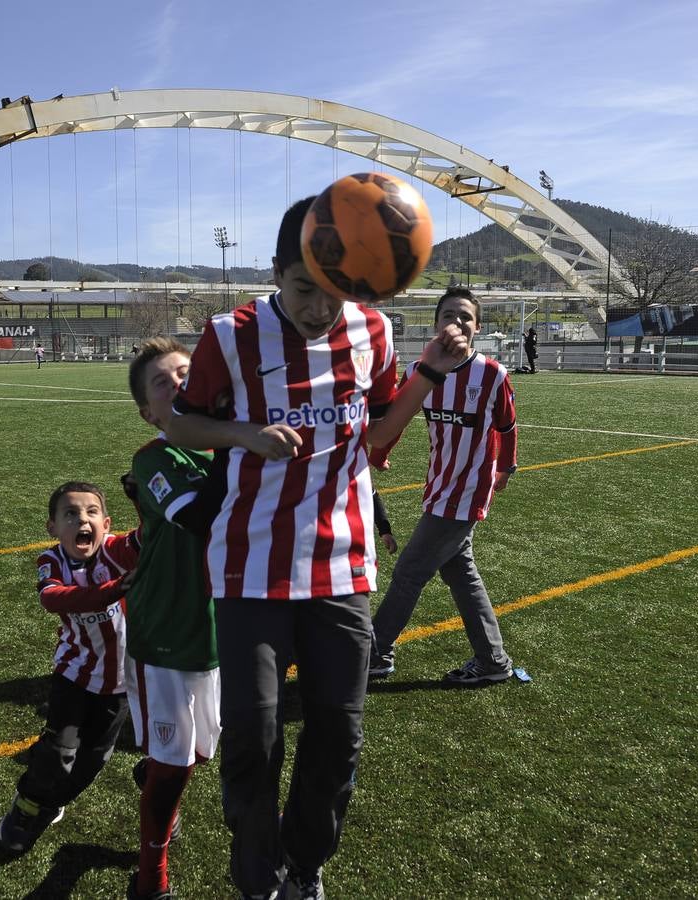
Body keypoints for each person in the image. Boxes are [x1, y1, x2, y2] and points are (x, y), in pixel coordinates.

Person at [165, 196, 471, 899]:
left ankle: (305, 864)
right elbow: (182, 427)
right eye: (306, 289)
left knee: (339, 732)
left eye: (337, 292)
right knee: (255, 734)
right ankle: (256, 872)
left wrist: (427, 371)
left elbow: (377, 433)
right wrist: (242, 435)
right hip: (249, 566)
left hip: (340, 564)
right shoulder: (230, 334)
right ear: (277, 274)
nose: (320, 307)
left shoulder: (373, 330)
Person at [369, 288, 518, 684]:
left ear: (478, 326)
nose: (457, 321)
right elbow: (400, 416)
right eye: (449, 314)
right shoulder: (420, 370)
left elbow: (507, 425)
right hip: (439, 482)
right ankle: (492, 660)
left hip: (467, 488)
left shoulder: (491, 374)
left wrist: (506, 466)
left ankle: (375, 652)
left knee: (409, 572)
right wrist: (380, 452)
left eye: (466, 316)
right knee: (459, 571)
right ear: (436, 324)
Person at [123, 337, 224, 900]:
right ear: (149, 412)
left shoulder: (223, 447)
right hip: (163, 633)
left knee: (201, 752)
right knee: (173, 760)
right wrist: (244, 442)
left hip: (220, 630)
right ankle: (150, 875)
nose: (180, 383)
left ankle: (160, 777)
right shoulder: (155, 458)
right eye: (164, 382)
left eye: (187, 373)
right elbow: (199, 515)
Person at [0, 481, 139, 854]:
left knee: (93, 760)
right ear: (53, 528)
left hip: (121, 682)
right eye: (70, 514)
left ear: (107, 524)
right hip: (74, 673)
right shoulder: (52, 560)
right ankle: (26, 809)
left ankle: (52, 800)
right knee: (59, 750)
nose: (82, 519)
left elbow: (152, 535)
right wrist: (113, 590)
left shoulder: (117, 551)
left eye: (92, 512)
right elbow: (52, 597)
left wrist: (143, 501)